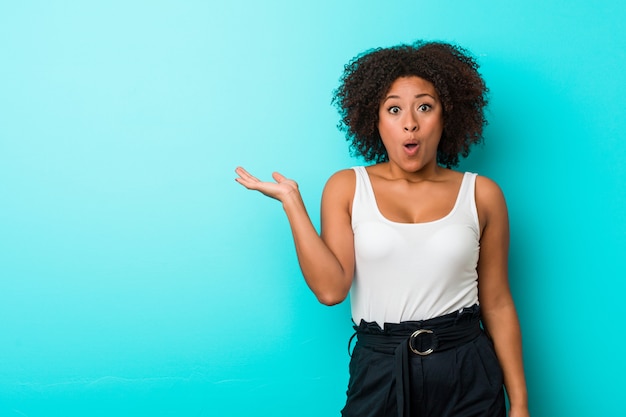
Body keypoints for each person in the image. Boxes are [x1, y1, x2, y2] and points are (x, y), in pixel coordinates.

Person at [235, 40, 529, 417]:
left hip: (466, 367)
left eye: (425, 106)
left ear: (446, 116)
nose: (410, 122)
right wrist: (293, 203)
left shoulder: (482, 194)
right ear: (375, 120)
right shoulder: (347, 187)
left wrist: (519, 402)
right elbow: (330, 290)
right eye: (394, 109)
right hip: (381, 366)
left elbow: (498, 302)